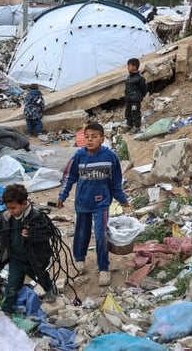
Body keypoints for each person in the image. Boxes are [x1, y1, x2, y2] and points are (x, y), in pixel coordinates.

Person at [57, 122, 129, 287]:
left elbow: (116, 182)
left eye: (94, 137)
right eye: (87, 137)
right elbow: (69, 177)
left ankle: (103, 268)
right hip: (83, 202)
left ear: (102, 139)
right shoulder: (79, 156)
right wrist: (63, 195)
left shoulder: (110, 157)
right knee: (81, 231)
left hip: (102, 203)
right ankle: (79, 259)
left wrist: (122, 199)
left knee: (101, 234)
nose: (90, 140)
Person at [0, 184, 57, 313]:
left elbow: (46, 232)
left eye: (13, 208)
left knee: (41, 277)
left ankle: (50, 292)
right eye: (8, 208)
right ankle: (7, 309)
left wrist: (31, 234)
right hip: (16, 258)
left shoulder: (36, 217)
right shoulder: (7, 217)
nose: (10, 211)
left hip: (34, 259)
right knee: (12, 285)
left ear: (24, 203)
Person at [124, 58, 148, 133]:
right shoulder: (130, 77)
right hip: (129, 99)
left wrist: (141, 96)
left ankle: (137, 126)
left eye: (129, 66)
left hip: (135, 100)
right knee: (128, 112)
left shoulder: (139, 78)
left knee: (135, 112)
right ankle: (129, 124)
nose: (128, 68)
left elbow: (144, 88)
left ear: (134, 67)